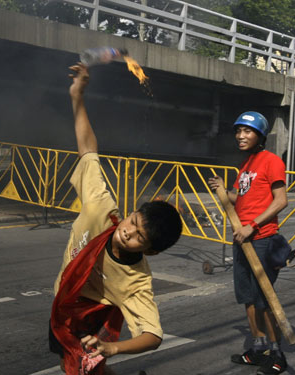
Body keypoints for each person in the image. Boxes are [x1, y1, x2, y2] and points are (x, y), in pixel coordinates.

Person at [49, 63, 183, 375]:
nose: (127, 232)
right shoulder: (101, 209)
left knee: (83, 368)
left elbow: (153, 335)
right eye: (133, 221)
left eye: (139, 237)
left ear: (149, 251)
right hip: (63, 299)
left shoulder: (136, 281)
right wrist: (77, 97)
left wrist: (114, 347)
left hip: (92, 318)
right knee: (72, 364)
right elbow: (88, 152)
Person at [208, 112, 289, 375]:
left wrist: (251, 226)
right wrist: (223, 189)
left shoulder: (272, 161)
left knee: (264, 298)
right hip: (242, 239)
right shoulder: (246, 166)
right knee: (247, 298)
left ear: (260, 136)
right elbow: (238, 198)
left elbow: (280, 201)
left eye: (247, 131)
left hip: (262, 239)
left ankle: (277, 354)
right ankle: (257, 348)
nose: (241, 136)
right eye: (238, 131)